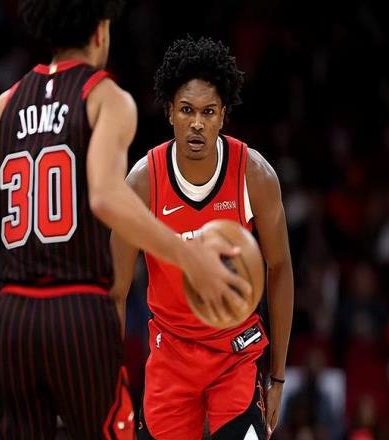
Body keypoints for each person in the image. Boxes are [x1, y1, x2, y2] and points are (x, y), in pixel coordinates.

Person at [0, 4, 249, 439]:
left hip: (12, 319)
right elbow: (105, 197)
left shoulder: (3, 107)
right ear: (101, 31)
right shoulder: (105, 97)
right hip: (78, 312)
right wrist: (188, 255)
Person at [110, 36, 294, 439]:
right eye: (187, 110)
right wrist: (112, 385)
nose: (197, 123)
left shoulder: (255, 176)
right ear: (169, 112)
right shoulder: (142, 184)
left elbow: (280, 267)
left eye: (208, 111)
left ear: (223, 115)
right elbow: (116, 291)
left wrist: (278, 376)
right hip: (171, 355)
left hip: (235, 352)